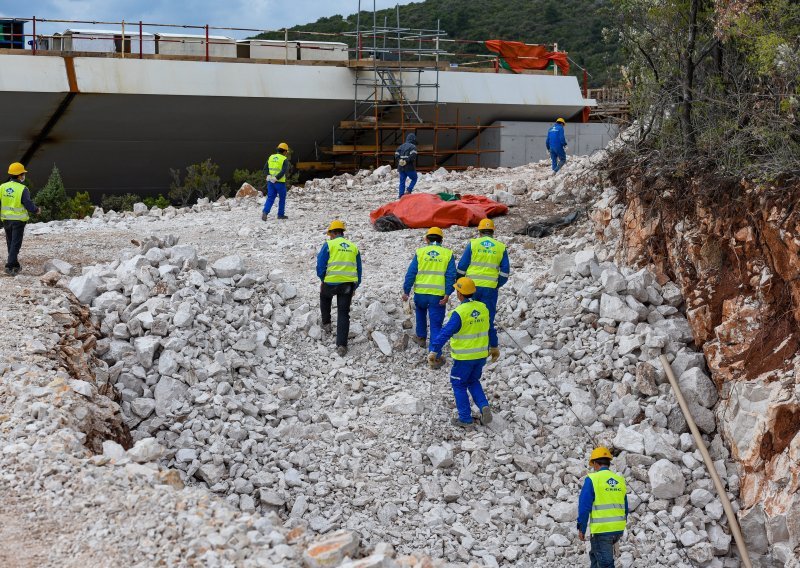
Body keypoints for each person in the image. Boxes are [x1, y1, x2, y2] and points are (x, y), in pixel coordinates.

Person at [428, 277, 493, 428]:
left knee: (458, 384)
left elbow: (446, 332)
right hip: (481, 355)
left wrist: (434, 350)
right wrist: (494, 346)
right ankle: (483, 405)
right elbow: (491, 329)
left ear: (460, 294)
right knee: (473, 381)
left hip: (464, 357)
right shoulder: (483, 308)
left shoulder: (459, 312)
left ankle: (465, 419)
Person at [456, 218, 509, 363]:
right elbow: (505, 272)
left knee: (469, 316)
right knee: (487, 318)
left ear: (479, 231)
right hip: (490, 289)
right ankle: (491, 347)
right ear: (493, 231)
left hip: (471, 287)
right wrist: (497, 284)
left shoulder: (473, 244)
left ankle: (470, 347)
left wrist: (460, 284)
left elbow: (461, 267)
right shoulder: (500, 247)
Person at [402, 227, 457, 347]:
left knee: (420, 313)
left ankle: (421, 338)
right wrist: (448, 294)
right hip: (438, 296)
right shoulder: (448, 254)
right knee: (436, 324)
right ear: (441, 240)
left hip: (420, 293)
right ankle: (434, 354)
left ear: (427, 239)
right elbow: (451, 276)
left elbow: (411, 273)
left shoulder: (420, 252)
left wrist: (406, 291)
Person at [577, 447, 629, 568]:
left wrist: (581, 528)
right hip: (618, 529)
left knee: (605, 564)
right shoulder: (619, 480)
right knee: (596, 556)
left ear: (595, 463)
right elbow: (625, 507)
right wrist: (620, 525)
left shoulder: (592, 479)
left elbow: (584, 507)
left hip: (602, 530)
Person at [317, 220, 362, 357]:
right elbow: (358, 269)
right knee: (344, 313)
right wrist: (355, 285)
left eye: (330, 233)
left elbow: (320, 265)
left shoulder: (329, 245)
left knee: (325, 297)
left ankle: (326, 323)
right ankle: (341, 345)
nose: (329, 236)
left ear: (333, 233)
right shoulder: (353, 247)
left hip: (330, 283)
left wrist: (322, 279)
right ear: (342, 232)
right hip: (347, 285)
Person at [1, 162, 40, 276]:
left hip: (6, 219)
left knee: (10, 242)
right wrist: (36, 210)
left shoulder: (2, 187)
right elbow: (28, 203)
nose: (24, 176)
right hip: (18, 221)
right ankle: (9, 266)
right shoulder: (23, 189)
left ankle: (15, 264)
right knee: (15, 244)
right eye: (23, 174)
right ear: (19, 175)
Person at [262, 142, 291, 221]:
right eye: (286, 152)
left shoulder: (271, 157)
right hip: (280, 183)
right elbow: (283, 171)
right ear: (284, 151)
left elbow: (265, 169)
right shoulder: (284, 159)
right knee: (282, 198)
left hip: (270, 182)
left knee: (270, 197)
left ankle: (265, 212)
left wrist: (268, 175)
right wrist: (276, 178)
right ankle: (280, 215)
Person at [394, 133, 418, 199]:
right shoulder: (413, 147)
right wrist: (406, 161)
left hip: (401, 167)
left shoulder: (400, 146)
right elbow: (413, 156)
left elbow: (396, 154)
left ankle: (401, 195)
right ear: (413, 139)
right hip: (409, 167)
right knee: (414, 178)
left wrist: (400, 160)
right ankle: (408, 190)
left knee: (402, 181)